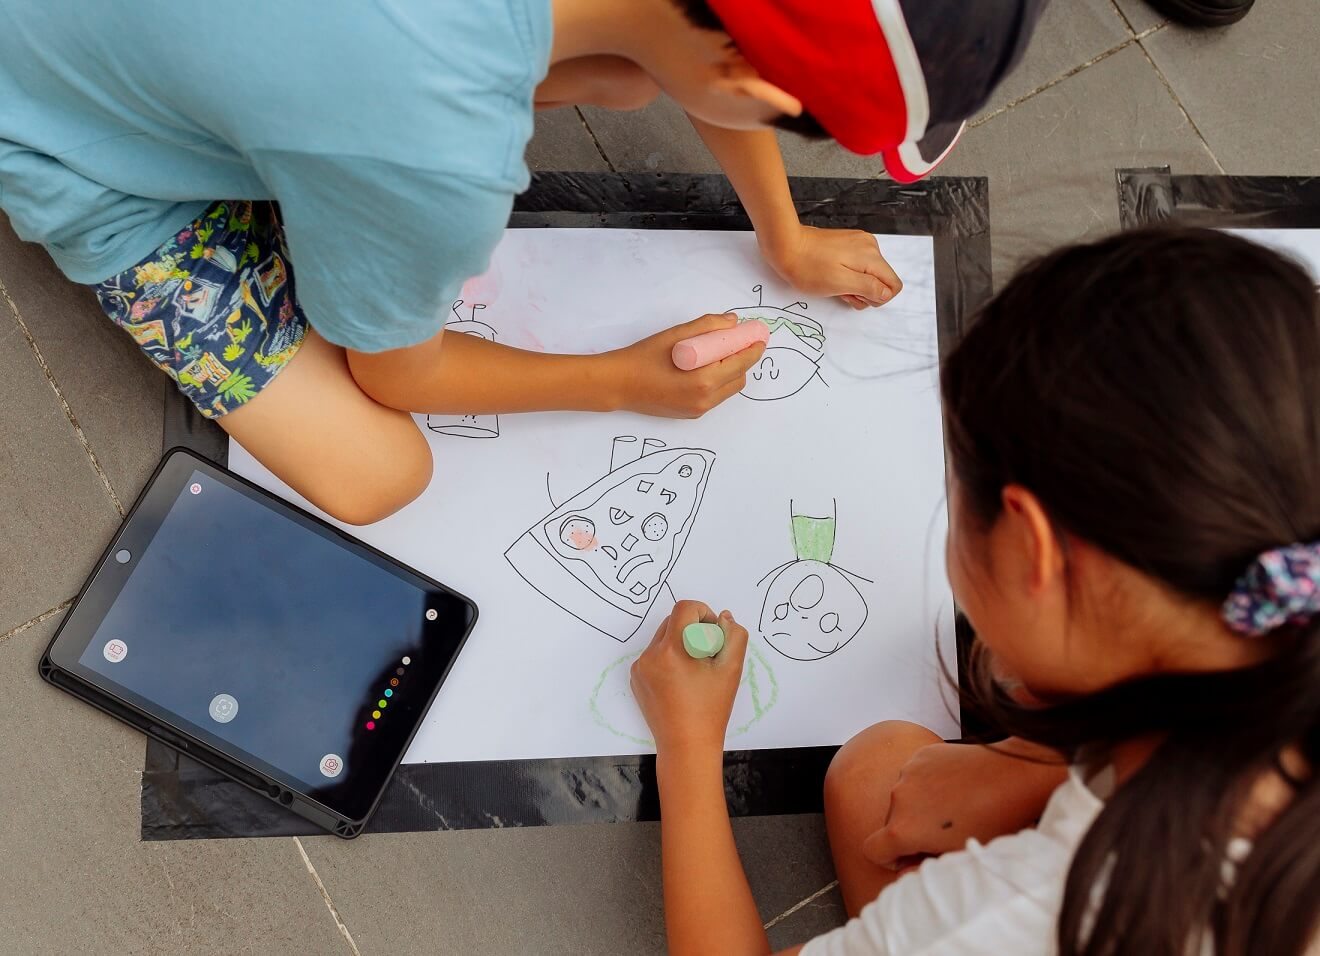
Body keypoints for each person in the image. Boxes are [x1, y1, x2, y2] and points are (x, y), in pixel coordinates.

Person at [0, 0, 1044, 524]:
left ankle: (310, 174)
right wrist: (617, 382)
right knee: (379, 471)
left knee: (623, 75)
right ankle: (304, 197)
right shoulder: (437, 155)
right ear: (754, 85)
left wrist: (785, 234)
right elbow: (396, 373)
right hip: (57, 126)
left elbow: (704, 52)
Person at [631, 227, 1319, 955]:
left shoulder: (1029, 914)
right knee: (880, 776)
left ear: (1032, 549)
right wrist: (1035, 770)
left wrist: (688, 743)